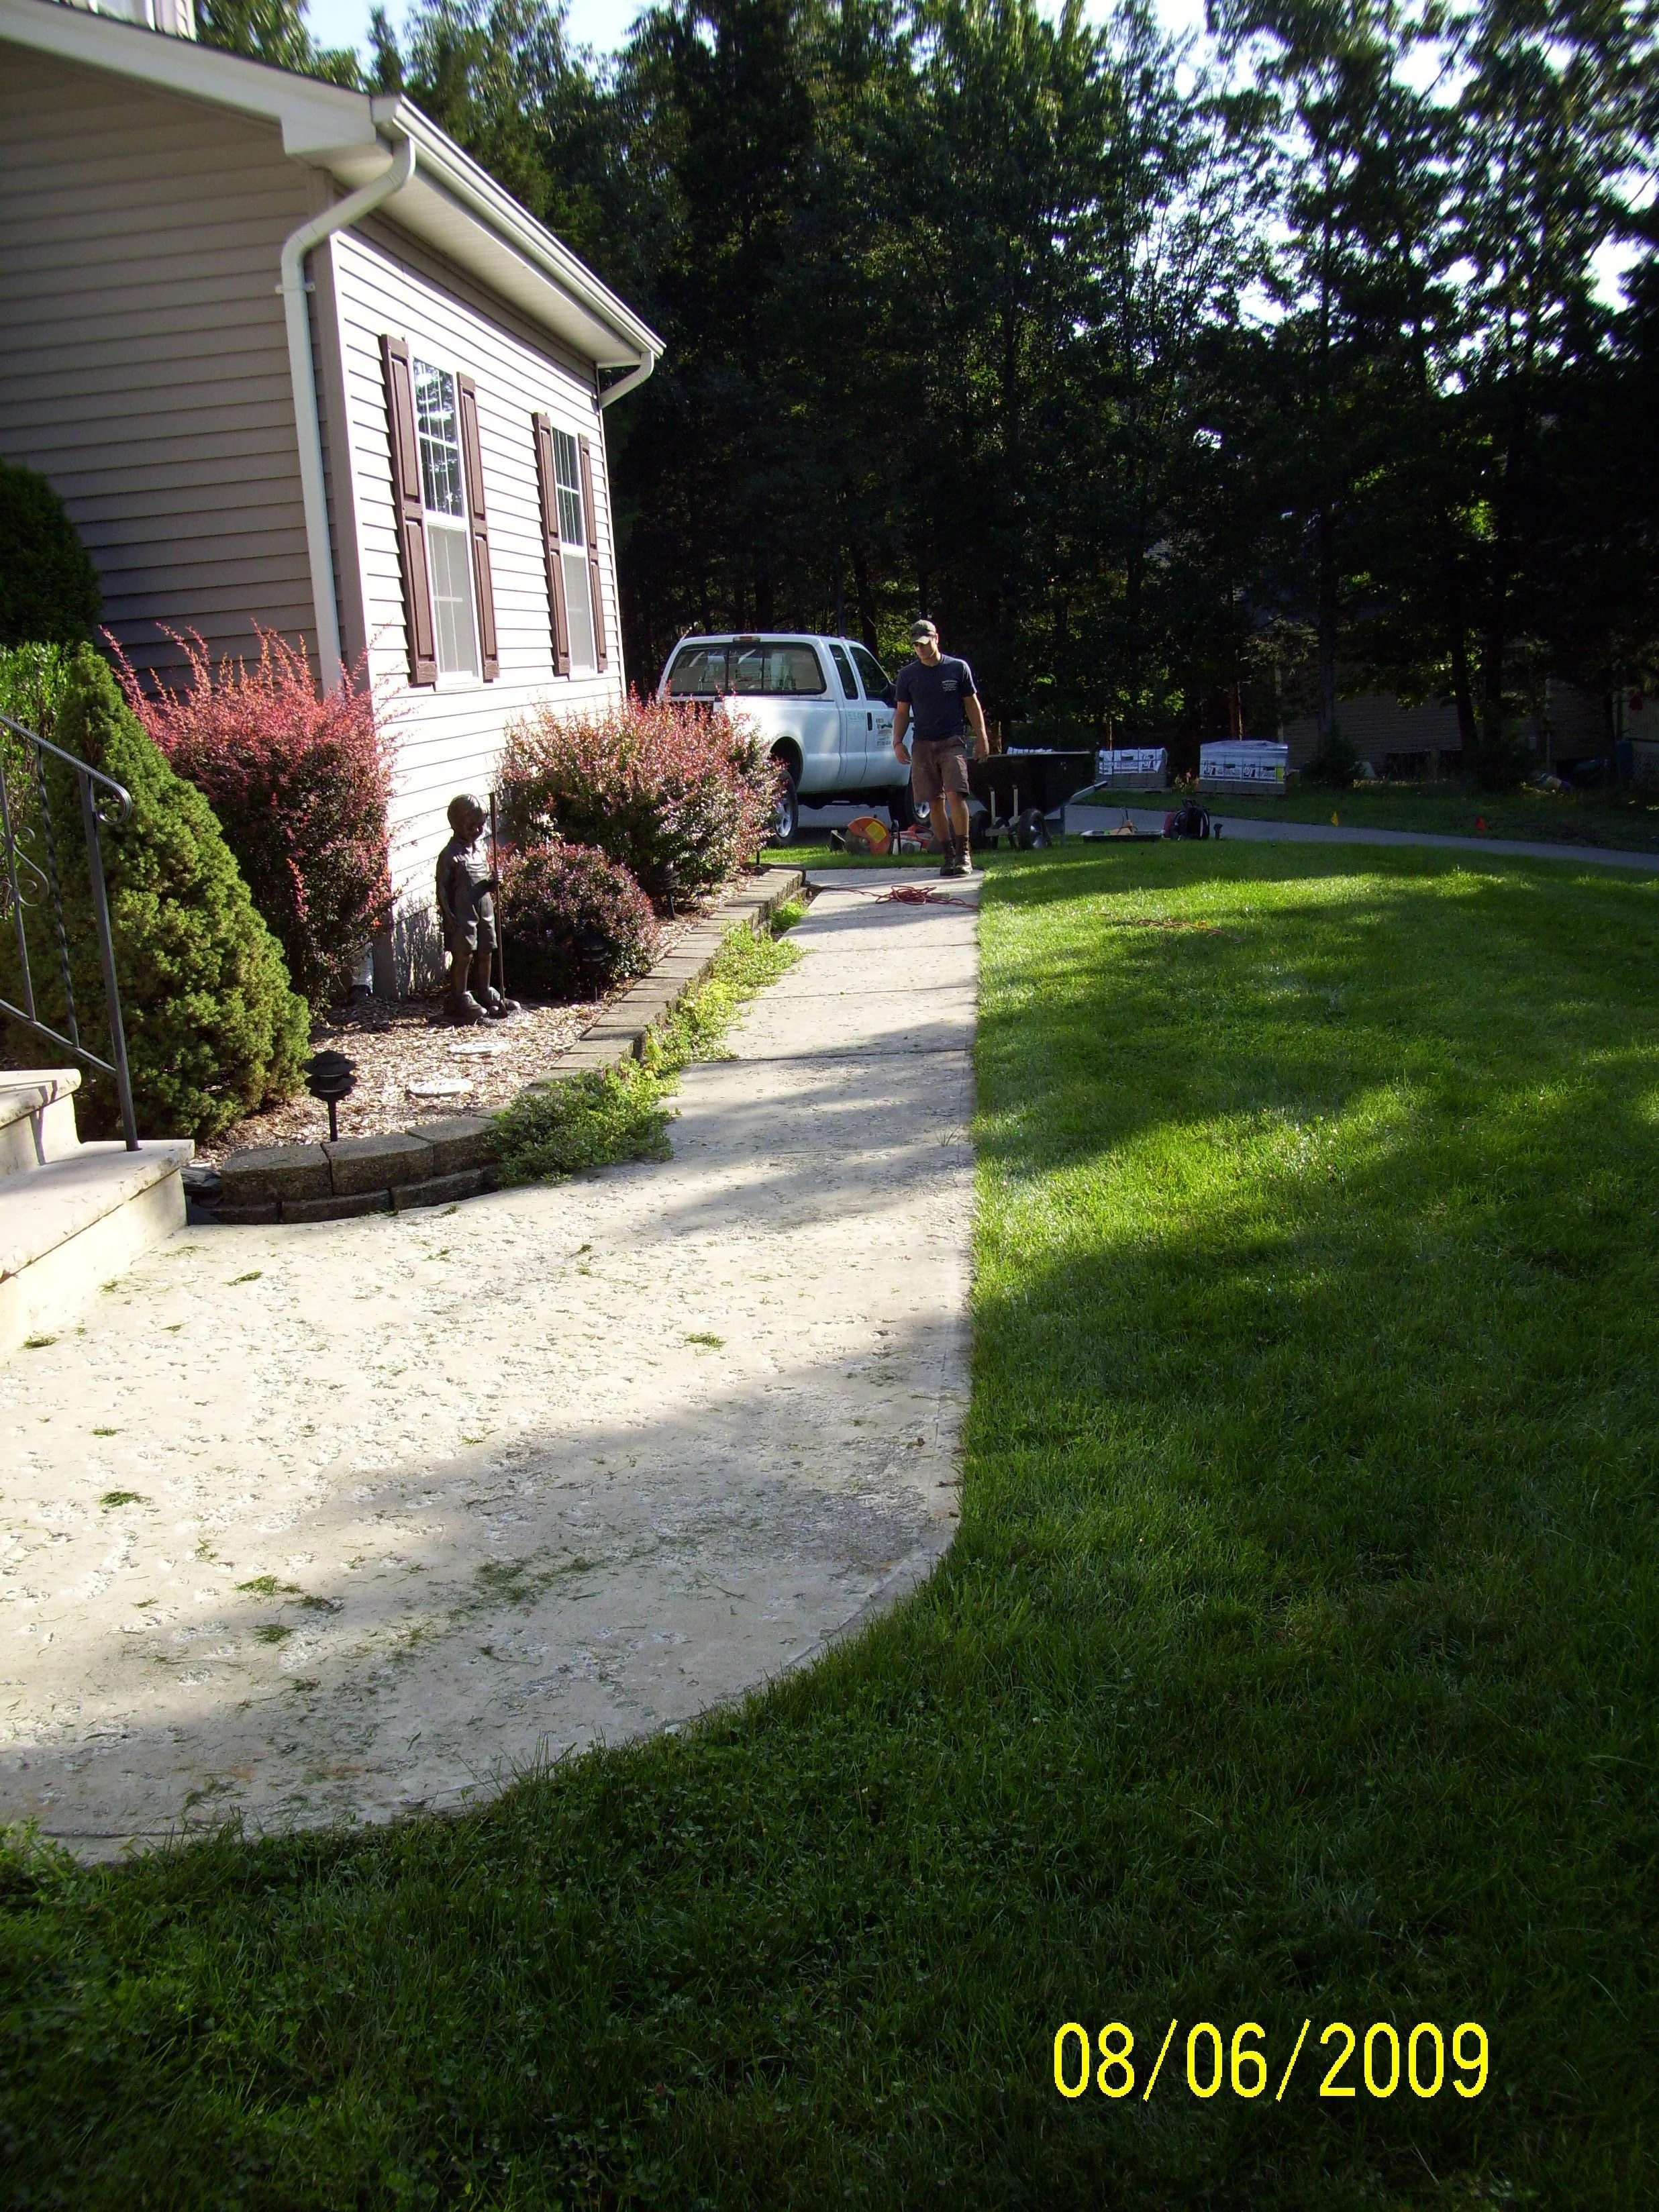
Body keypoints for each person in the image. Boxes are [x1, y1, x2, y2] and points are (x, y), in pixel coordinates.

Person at [891, 618, 989, 877]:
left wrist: (982, 737)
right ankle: (947, 855)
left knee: (956, 794)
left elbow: (972, 704)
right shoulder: (908, 675)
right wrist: (897, 742)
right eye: (916, 645)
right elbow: (902, 712)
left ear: (936, 639)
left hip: (952, 741)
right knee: (934, 801)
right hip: (922, 744)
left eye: (924, 643)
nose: (920, 649)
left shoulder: (957, 668)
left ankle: (963, 853)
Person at [435, 793, 518, 1023]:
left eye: (481, 825)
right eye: (471, 825)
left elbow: (483, 882)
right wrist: (448, 916)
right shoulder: (450, 855)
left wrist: (494, 882)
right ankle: (460, 996)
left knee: (486, 949)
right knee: (464, 954)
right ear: (456, 823)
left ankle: (485, 990)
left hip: (484, 908)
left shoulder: (480, 851)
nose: (477, 830)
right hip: (463, 912)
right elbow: (441, 887)